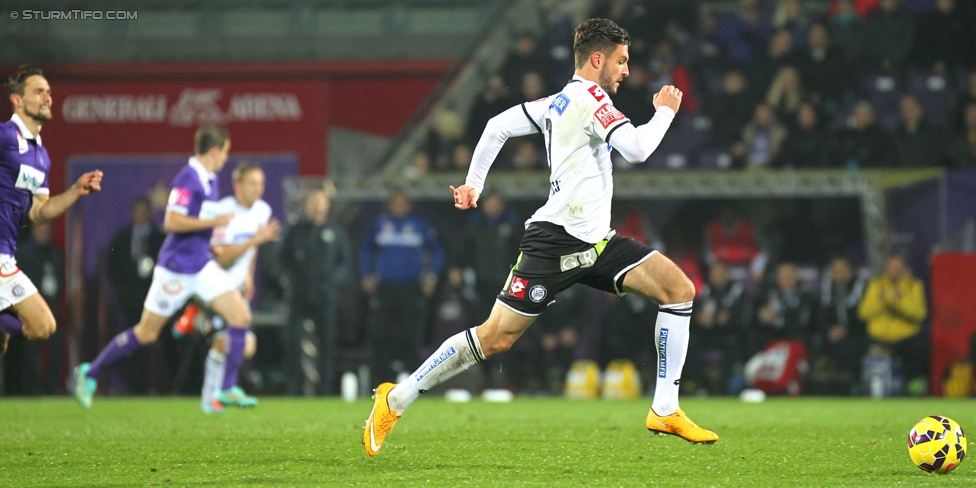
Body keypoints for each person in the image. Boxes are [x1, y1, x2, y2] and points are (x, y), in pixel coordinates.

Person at [363, 18, 718, 458]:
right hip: (555, 243)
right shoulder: (592, 98)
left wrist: (475, 183)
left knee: (678, 289)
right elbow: (639, 149)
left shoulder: (556, 101)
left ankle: (665, 407)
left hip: (596, 244)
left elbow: (497, 125)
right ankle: (396, 399)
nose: (626, 71)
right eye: (622, 61)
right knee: (495, 338)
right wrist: (665, 108)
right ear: (597, 59)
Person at [74, 125, 256, 410]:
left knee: (241, 316)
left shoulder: (210, 180)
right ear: (214, 151)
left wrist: (210, 246)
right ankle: (90, 372)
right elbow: (172, 221)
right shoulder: (188, 178)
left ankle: (228, 388)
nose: (225, 158)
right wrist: (213, 223)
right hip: (176, 269)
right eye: (226, 152)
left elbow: (195, 225)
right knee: (147, 332)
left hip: (201, 265)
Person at [0, 64, 103, 356]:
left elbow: (38, 211)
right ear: (17, 100)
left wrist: (74, 191)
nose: (47, 97)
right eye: (38, 92)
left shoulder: (40, 155)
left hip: (7, 252)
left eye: (48, 92)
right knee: (42, 325)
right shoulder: (5, 136)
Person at [173, 162, 280, 413]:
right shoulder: (223, 212)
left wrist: (250, 277)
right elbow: (222, 257)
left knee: (246, 346)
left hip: (237, 291)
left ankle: (211, 395)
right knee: (227, 343)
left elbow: (251, 252)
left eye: (261, 183)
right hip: (215, 287)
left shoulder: (262, 211)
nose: (258, 189)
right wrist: (256, 239)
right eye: (252, 183)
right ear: (238, 186)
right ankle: (211, 398)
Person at [359, 189, 444, 385]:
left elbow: (438, 251)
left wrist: (431, 276)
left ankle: (412, 382)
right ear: (390, 205)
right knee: (381, 334)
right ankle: (382, 382)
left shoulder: (418, 226)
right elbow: (366, 250)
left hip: (410, 287)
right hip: (385, 287)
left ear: (409, 205)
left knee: (410, 334)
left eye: (402, 203)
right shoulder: (380, 225)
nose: (399, 207)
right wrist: (366, 275)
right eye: (395, 202)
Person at [279, 187, 350, 396]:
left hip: (325, 296)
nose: (317, 207)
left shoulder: (336, 232)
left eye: (321, 202)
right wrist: (292, 280)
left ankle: (324, 389)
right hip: (299, 295)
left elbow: (344, 263)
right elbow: (283, 259)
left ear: (327, 206)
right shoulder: (295, 231)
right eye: (313, 202)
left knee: (326, 343)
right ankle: (293, 387)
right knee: (293, 340)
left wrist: (332, 283)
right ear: (307, 206)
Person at [105, 197, 165, 391]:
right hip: (129, 302)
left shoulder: (160, 238)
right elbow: (112, 267)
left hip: (155, 300)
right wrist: (124, 291)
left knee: (161, 343)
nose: (141, 215)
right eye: (137, 211)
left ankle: (162, 387)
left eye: (144, 211)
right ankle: (135, 387)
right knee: (132, 343)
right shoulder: (122, 238)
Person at [857, 254, 928, 392]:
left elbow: (919, 313)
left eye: (899, 268)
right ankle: (857, 386)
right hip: (877, 337)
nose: (895, 271)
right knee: (853, 346)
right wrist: (883, 301)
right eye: (892, 267)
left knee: (918, 346)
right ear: (886, 269)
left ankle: (913, 384)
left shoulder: (914, 285)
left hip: (904, 337)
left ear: (905, 269)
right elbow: (863, 313)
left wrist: (896, 302)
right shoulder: (876, 285)